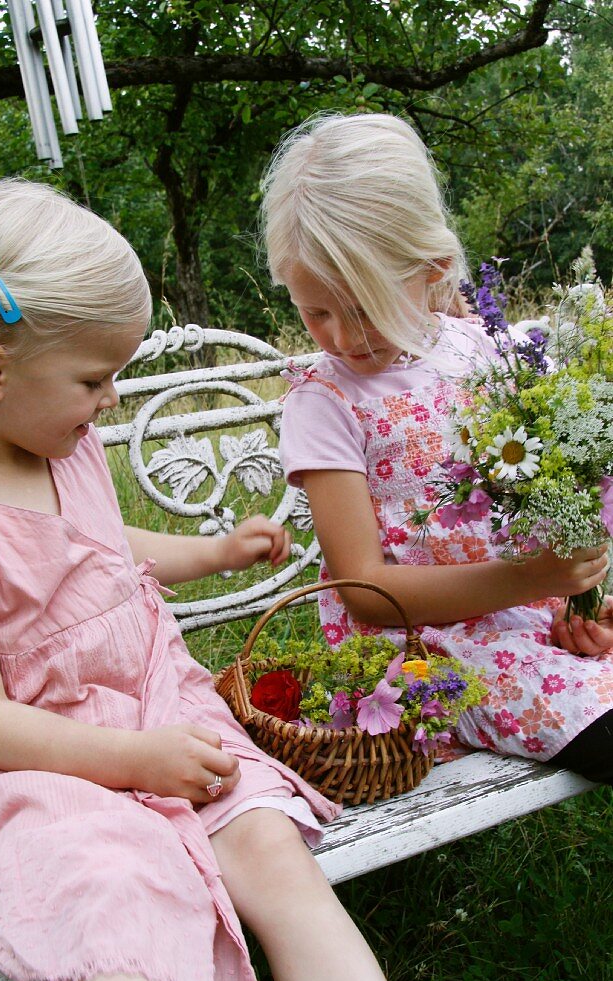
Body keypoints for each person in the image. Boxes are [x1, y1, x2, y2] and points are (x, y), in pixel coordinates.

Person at [0, 179, 438, 981]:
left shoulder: (69, 448)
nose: (108, 402)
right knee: (116, 910)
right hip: (46, 770)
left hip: (158, 706)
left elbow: (103, 550)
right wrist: (134, 762)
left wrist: (211, 551)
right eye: (95, 380)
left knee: (271, 853)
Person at [262, 112, 613, 783]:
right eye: (314, 310)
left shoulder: (485, 352)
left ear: (434, 270)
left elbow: (549, 492)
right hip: (427, 655)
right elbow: (363, 592)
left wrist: (583, 606)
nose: (338, 336)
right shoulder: (323, 401)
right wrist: (528, 580)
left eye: (361, 307)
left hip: (526, 623)